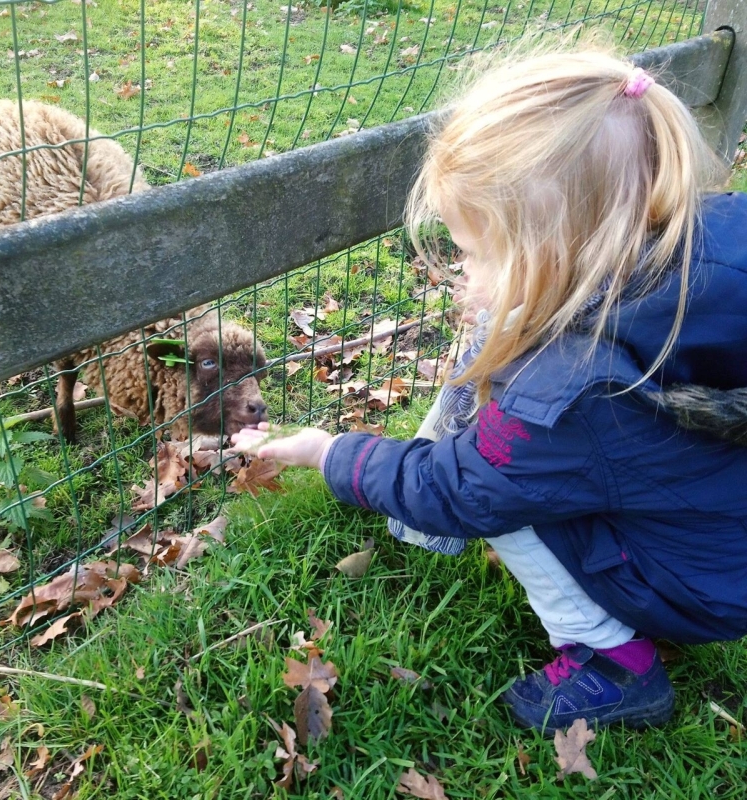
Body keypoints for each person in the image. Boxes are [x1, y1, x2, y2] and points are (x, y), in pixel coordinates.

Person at [232, 44, 747, 734]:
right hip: (721, 541)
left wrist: (330, 453)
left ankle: (615, 663)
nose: (463, 280)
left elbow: (454, 489)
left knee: (511, 503)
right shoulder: (704, 254)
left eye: (473, 255)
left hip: (702, 587)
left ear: (552, 252)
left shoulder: (563, 395)